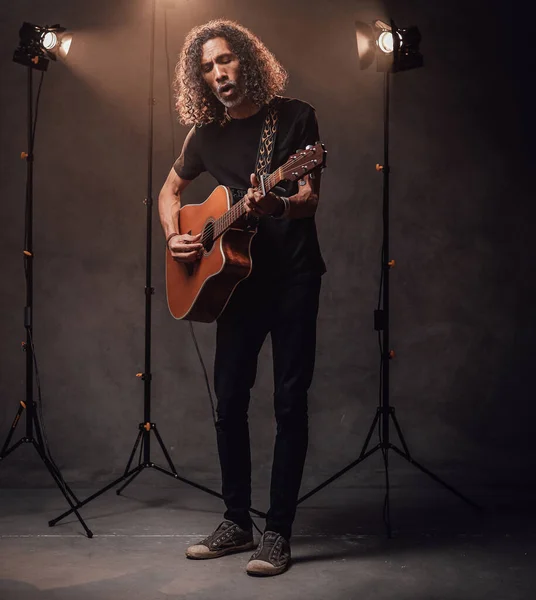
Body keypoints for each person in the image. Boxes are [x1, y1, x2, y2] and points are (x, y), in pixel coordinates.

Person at [158, 19, 325, 577]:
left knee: (288, 402)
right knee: (229, 401)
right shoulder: (203, 134)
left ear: (246, 60)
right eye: (206, 67)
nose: (218, 73)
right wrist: (175, 234)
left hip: (294, 278)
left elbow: (305, 200)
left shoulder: (296, 116)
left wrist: (271, 205)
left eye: (225, 60)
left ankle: (276, 532)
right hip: (235, 283)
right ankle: (236, 522)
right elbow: (170, 190)